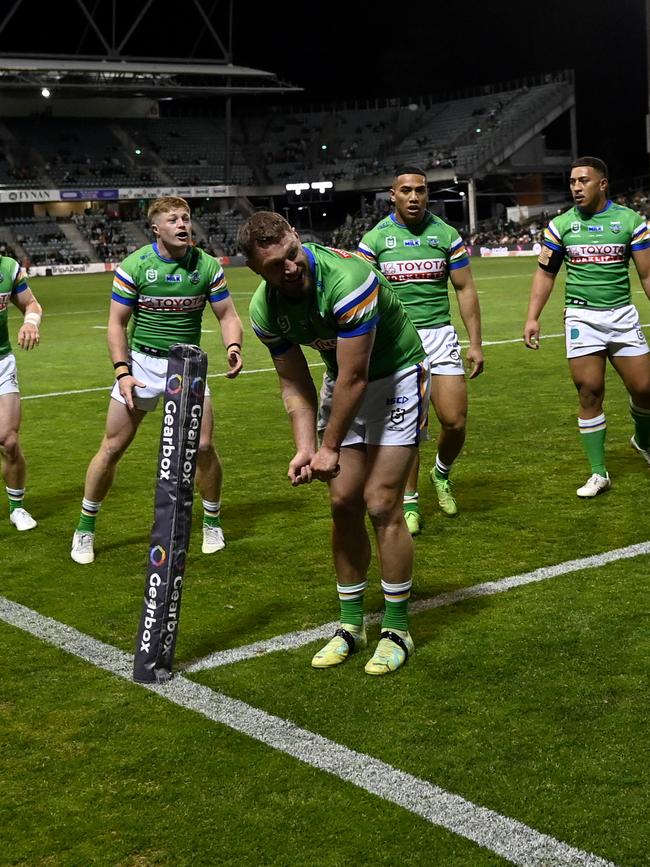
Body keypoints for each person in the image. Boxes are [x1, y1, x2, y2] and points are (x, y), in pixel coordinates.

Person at [238, 211, 430, 676]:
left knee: (382, 503)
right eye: (274, 266)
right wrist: (307, 446)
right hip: (341, 383)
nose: (289, 268)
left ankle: (397, 628)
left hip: (396, 378)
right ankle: (350, 625)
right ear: (255, 271)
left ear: (296, 238)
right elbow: (295, 384)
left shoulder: (349, 279)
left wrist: (330, 447)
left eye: (291, 254)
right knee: (343, 503)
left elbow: (358, 376)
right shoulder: (265, 310)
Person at [71, 196, 243, 564]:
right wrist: (123, 372)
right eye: (173, 219)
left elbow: (227, 314)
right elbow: (117, 325)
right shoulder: (136, 266)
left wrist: (233, 345)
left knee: (204, 448)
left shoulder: (207, 266)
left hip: (188, 367)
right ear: (156, 229)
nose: (183, 224)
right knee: (113, 447)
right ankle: (85, 528)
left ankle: (211, 523)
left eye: (186, 218)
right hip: (142, 366)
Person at [358, 166, 484, 535]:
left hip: (441, 337)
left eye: (421, 191)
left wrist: (475, 342)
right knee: (409, 429)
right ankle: (410, 501)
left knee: (455, 420)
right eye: (407, 191)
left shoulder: (445, 235)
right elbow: (362, 293)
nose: (414, 197)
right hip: (397, 342)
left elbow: (465, 289)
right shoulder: (376, 239)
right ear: (392, 194)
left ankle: (441, 473)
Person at [524, 156, 650, 497]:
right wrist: (533, 316)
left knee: (645, 387)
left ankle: (642, 439)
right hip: (582, 318)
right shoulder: (561, 226)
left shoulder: (630, 221)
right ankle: (599, 473)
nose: (576, 188)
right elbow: (545, 274)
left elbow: (647, 274)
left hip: (622, 316)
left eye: (584, 181)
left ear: (603, 183)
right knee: (589, 390)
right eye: (572, 182)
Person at [0, 255, 42, 532]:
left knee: (8, 441)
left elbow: (31, 303)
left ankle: (17, 508)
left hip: (1, 362)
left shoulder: (7, 267)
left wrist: (31, 322)